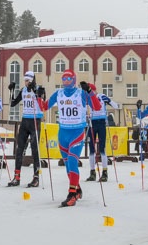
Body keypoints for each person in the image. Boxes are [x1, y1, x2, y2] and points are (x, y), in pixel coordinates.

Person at [45, 70, 102, 206]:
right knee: (67, 165)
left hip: (77, 132)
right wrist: (38, 95)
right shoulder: (58, 93)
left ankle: (71, 194)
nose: (66, 81)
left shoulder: (81, 93)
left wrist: (89, 92)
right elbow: (44, 106)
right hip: (63, 133)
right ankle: (76, 188)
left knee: (72, 161)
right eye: (64, 78)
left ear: (74, 79)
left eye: (69, 78)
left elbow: (97, 107)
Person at [7, 71, 47, 187]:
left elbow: (43, 105)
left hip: (35, 121)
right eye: (25, 80)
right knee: (19, 149)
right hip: (25, 121)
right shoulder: (23, 90)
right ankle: (16, 177)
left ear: (33, 80)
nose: (26, 83)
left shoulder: (39, 89)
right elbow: (13, 103)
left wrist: (37, 93)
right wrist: (11, 91)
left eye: (28, 80)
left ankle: (36, 178)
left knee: (35, 150)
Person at [86, 85, 119, 182]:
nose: (92, 92)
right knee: (91, 149)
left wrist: (109, 102)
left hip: (101, 123)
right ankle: (92, 172)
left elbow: (116, 106)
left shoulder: (101, 96)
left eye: (92, 90)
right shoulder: (87, 99)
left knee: (102, 148)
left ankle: (105, 172)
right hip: (92, 123)